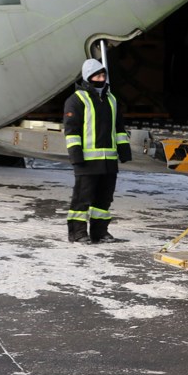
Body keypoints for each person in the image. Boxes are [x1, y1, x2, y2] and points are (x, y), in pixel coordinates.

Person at [63, 58, 132, 244]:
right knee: (82, 200)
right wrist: (76, 155)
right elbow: (71, 130)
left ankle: (99, 232)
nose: (101, 78)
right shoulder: (77, 100)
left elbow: (119, 128)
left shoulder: (111, 99)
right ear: (88, 77)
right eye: (97, 75)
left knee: (103, 201)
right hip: (87, 161)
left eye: (103, 75)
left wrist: (124, 149)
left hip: (108, 161)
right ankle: (77, 233)